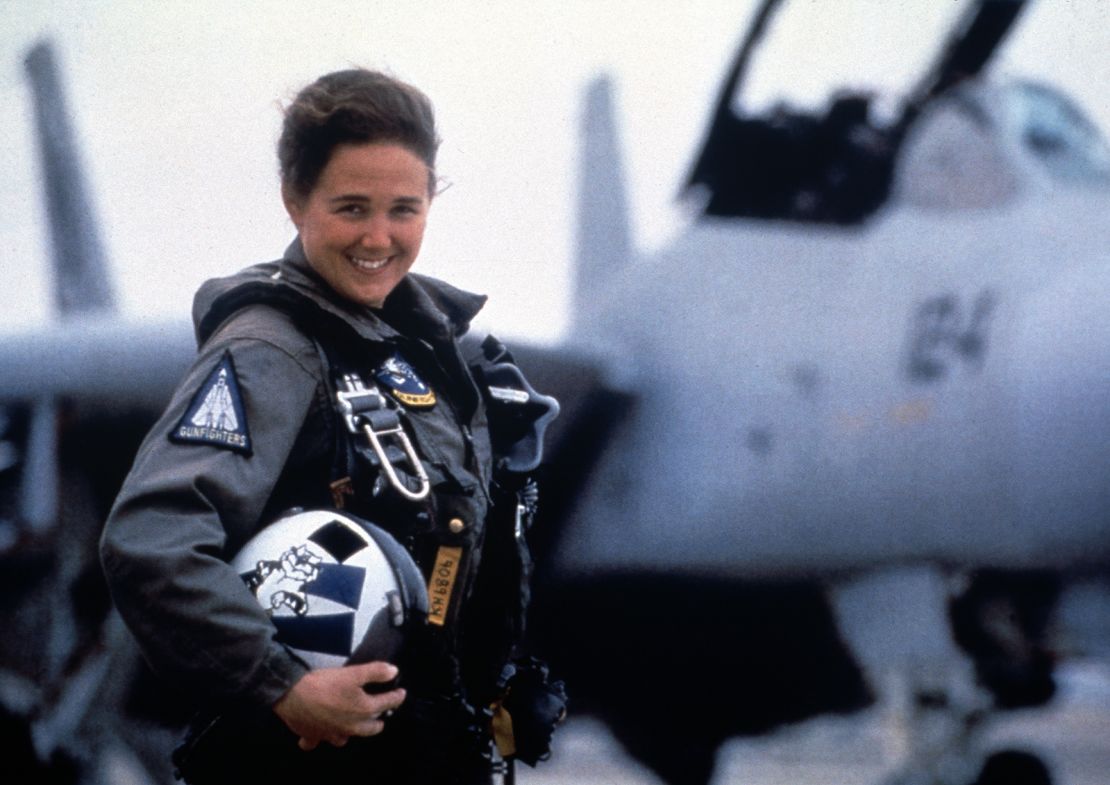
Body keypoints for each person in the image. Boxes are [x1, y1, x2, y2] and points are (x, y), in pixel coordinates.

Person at [100, 68, 564, 785]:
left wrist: (484, 687)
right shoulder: (273, 350)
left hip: (418, 753)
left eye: (403, 209)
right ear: (295, 200)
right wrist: (281, 683)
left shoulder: (429, 357)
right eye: (351, 208)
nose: (378, 237)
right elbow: (152, 538)